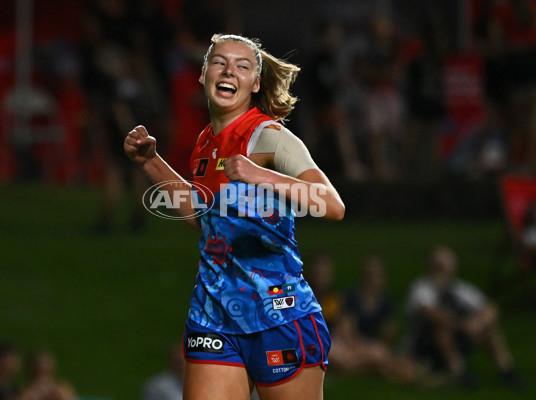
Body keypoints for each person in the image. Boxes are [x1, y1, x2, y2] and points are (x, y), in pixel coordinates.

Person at [124, 33, 345, 400]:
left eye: (242, 66)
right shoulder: (205, 143)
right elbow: (203, 218)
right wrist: (151, 162)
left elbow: (331, 205)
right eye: (219, 62)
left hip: (280, 314)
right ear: (203, 74)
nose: (229, 70)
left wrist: (261, 175)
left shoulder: (270, 137)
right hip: (213, 317)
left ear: (255, 84)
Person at [403, 245, 523, 387]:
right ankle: (459, 373)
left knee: (488, 329)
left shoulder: (461, 289)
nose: (439, 270)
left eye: (443, 266)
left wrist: (478, 323)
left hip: (458, 338)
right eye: (436, 266)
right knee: (442, 327)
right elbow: (431, 312)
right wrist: (463, 325)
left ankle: (506, 370)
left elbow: (491, 308)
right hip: (424, 347)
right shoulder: (422, 288)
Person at [328, 255, 415, 383]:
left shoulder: (386, 302)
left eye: (376, 276)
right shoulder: (351, 297)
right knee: (335, 353)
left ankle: (359, 368)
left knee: (379, 353)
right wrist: (361, 347)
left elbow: (388, 337)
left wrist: (370, 347)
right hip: (351, 345)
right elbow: (346, 331)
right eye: (369, 275)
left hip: (371, 347)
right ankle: (371, 367)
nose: (372, 280)